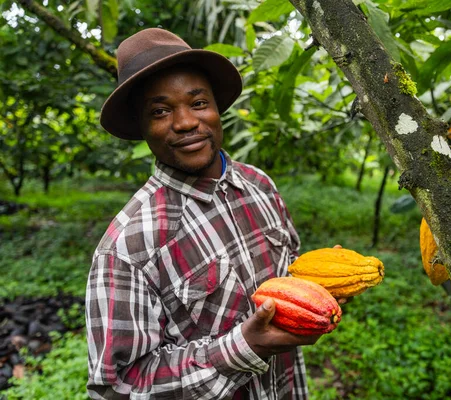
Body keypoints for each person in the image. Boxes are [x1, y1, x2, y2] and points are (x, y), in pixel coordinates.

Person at [86, 28, 326, 399]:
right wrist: (243, 348)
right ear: (142, 128)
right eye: (161, 111)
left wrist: (324, 285)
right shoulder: (127, 247)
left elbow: (291, 274)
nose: (184, 122)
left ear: (217, 109)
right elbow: (116, 387)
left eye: (198, 103)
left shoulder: (259, 185)